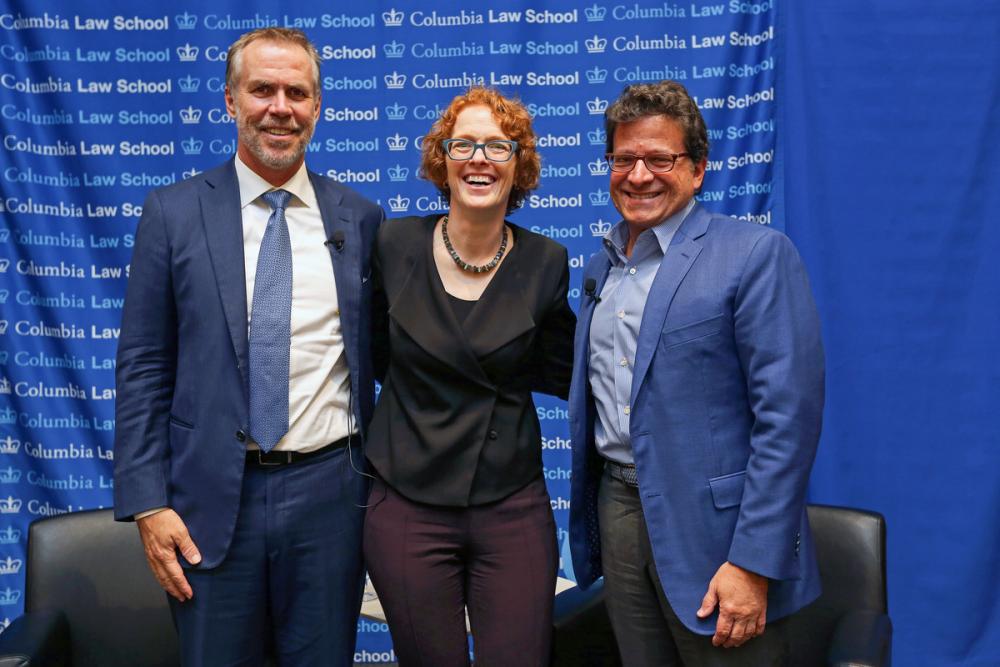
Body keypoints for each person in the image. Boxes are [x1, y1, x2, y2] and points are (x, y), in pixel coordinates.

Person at [113, 27, 383, 667]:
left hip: (330, 499)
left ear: (318, 106)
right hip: (207, 502)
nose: (280, 107)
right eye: (262, 89)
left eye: (297, 91)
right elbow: (144, 366)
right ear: (231, 100)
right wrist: (148, 500)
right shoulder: (173, 212)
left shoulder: (361, 219)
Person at [568, 81, 825, 666]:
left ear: (699, 169)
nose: (639, 175)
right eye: (624, 159)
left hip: (720, 536)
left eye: (660, 159)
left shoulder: (755, 254)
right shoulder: (600, 267)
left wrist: (753, 562)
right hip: (620, 512)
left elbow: (788, 419)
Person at [363, 86, 576, 666]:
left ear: (519, 164)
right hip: (407, 503)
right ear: (443, 159)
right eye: (464, 144)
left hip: (510, 502)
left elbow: (564, 368)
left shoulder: (546, 262)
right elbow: (371, 355)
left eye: (498, 147)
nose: (479, 158)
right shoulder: (391, 244)